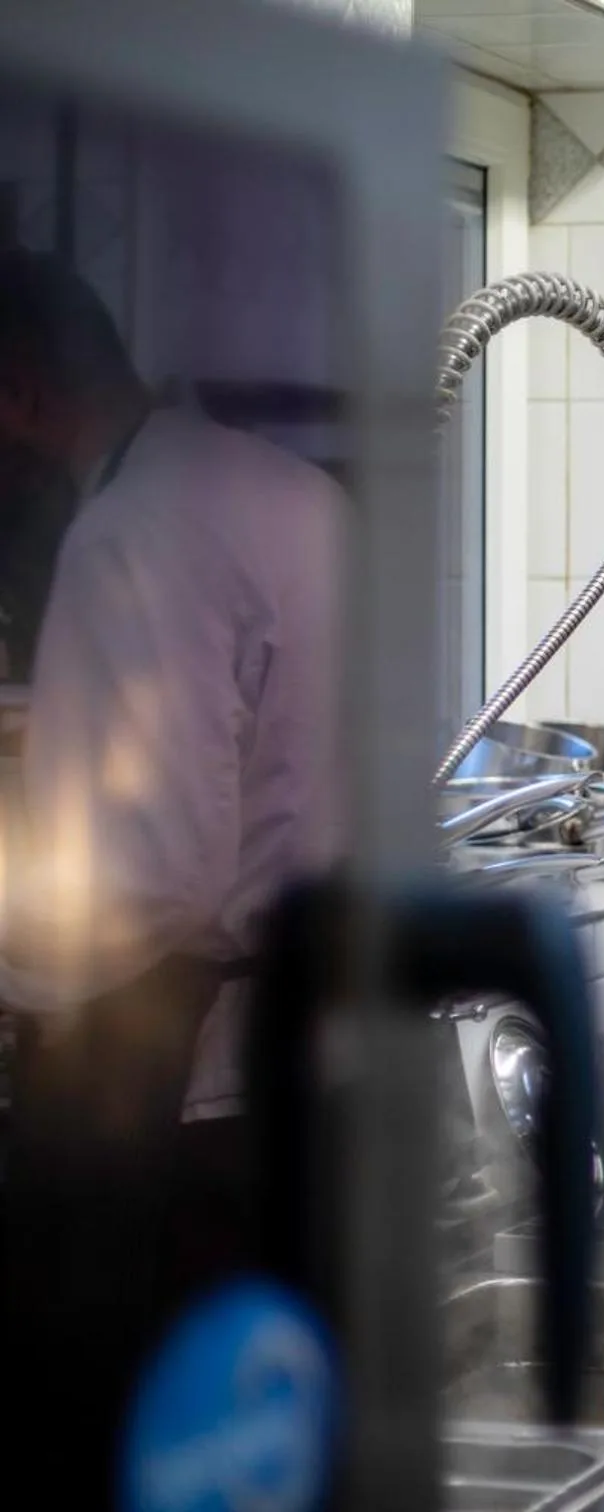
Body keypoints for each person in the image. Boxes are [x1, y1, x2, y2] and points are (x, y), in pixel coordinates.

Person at [0, 247, 344, 1459]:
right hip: (317, 1078)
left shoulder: (128, 532)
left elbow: (150, 876)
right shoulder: (289, 493)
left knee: (153, 1438)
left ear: (23, 393)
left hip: (202, 1110)